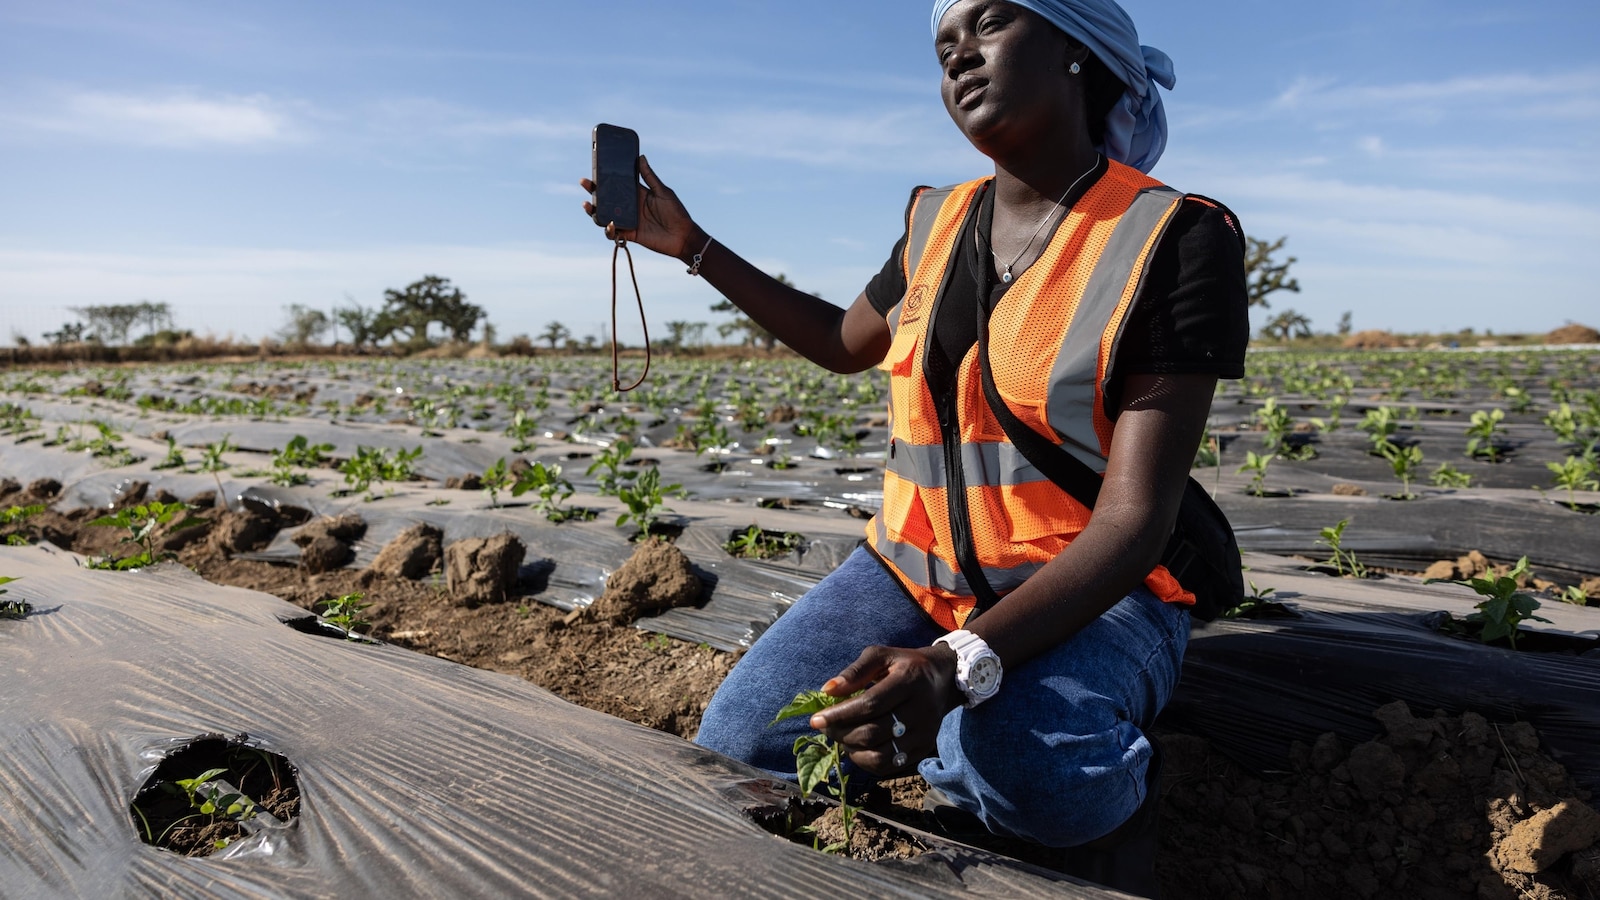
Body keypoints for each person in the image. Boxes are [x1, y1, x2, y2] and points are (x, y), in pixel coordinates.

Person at [581, 0, 1247, 887]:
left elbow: (1133, 522)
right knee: (746, 738)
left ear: (1078, 53)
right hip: (914, 571)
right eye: (945, 46)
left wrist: (955, 665)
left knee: (1019, 758)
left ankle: (1112, 792)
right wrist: (692, 245)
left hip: (1092, 589)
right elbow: (839, 341)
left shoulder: (1174, 237)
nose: (961, 55)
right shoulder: (938, 222)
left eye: (993, 23)